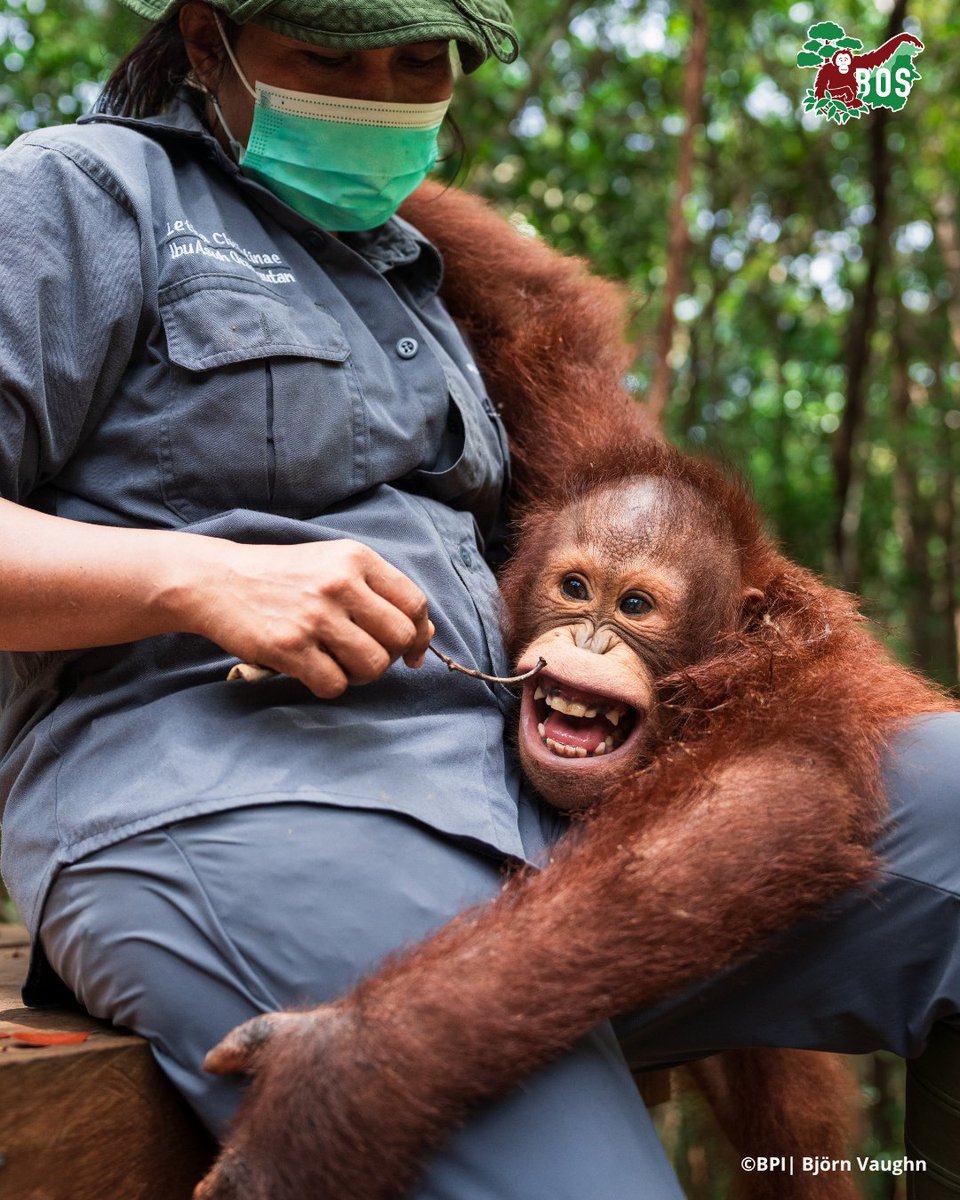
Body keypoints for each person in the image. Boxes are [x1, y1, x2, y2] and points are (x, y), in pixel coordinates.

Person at [1, 3, 958, 1197]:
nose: (381, 97)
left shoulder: (419, 268)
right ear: (209, 42)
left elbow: (630, 502)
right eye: (332, 58)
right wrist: (192, 575)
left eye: (419, 62)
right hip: (248, 791)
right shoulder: (86, 196)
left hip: (512, 788)